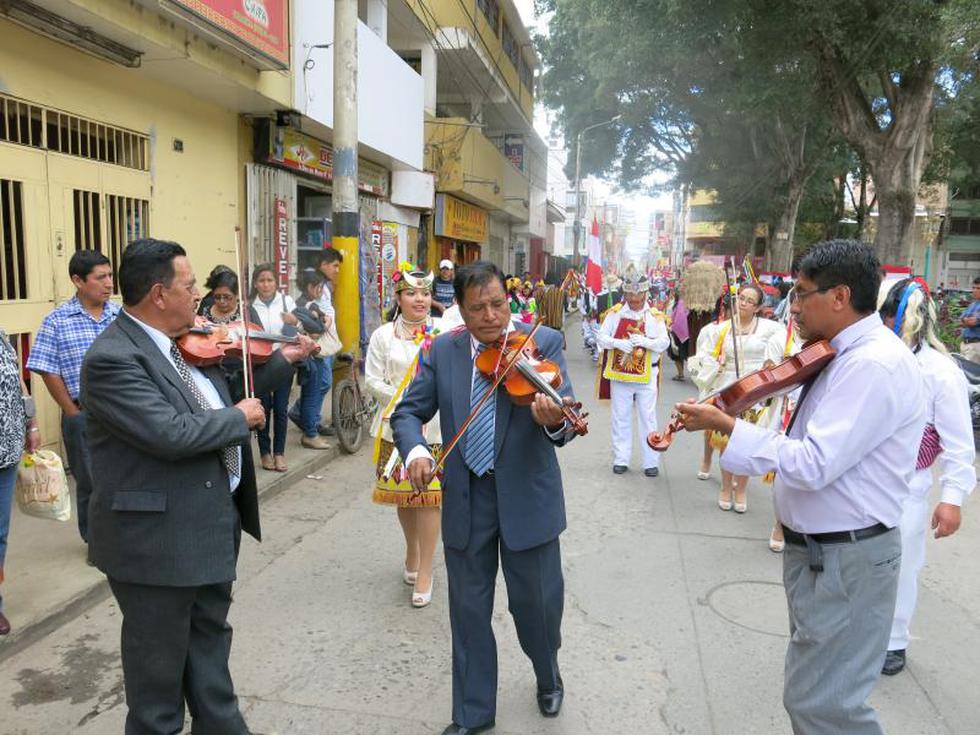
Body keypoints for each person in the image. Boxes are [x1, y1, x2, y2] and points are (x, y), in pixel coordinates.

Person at [676, 240, 926, 735]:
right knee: (815, 695)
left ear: (839, 296)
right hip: (824, 554)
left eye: (802, 293)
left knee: (825, 707)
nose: (792, 304)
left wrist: (728, 426)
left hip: (846, 558)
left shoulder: (871, 365)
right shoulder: (840, 352)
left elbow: (813, 463)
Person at [81, 238, 316, 735]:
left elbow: (230, 394)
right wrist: (236, 418)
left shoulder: (185, 344)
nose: (201, 298)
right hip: (157, 542)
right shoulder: (114, 358)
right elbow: (170, 432)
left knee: (209, 657)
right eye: (191, 288)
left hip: (209, 524)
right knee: (158, 691)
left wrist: (285, 359)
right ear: (159, 293)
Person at [391, 261, 578, 735]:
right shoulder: (444, 350)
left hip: (526, 498)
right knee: (469, 612)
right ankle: (473, 714)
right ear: (461, 310)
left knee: (536, 606)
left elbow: (565, 421)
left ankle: (547, 672)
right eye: (479, 308)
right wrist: (414, 450)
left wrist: (550, 418)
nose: (492, 316)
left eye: (498, 304)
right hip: (466, 496)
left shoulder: (544, 343)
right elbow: (408, 413)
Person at [877, 278, 975, 676]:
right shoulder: (869, 357)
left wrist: (951, 499)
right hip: (859, 485)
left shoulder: (940, 372)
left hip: (907, 490)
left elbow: (959, 443)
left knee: (901, 567)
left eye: (885, 315)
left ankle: (894, 641)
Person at [26, 249, 119, 546]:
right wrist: (71, 411)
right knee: (90, 481)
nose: (108, 283)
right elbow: (45, 367)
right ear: (78, 280)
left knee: (126, 476)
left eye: (110, 276)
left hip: (124, 409)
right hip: (83, 414)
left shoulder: (121, 316)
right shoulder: (57, 320)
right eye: (100, 277)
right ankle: (96, 543)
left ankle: (124, 539)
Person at [365, 266, 443, 608]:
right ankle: (411, 548)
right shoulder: (383, 336)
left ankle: (426, 569)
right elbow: (372, 381)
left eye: (425, 293)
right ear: (399, 298)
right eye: (412, 293)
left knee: (431, 498)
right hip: (395, 426)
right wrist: (405, 400)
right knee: (404, 496)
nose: (420, 299)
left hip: (436, 427)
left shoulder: (442, 333)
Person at [689, 283, 783, 512]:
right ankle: (724, 485)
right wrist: (713, 363)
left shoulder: (770, 329)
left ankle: (740, 489)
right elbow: (705, 353)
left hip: (755, 386)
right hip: (728, 385)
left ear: (759, 307)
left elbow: (783, 343)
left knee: (750, 439)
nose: (743, 303)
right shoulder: (721, 329)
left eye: (750, 300)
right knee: (726, 439)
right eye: (741, 298)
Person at [596, 267, 670, 477]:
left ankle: (650, 461)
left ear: (645, 294)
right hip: (621, 375)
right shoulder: (615, 313)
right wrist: (618, 343)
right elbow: (601, 337)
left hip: (647, 375)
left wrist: (646, 342)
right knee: (621, 417)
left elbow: (664, 342)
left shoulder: (655, 316)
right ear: (625, 294)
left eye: (638, 296)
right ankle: (621, 458)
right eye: (630, 296)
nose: (634, 300)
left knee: (648, 417)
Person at [0, 330, 42, 636]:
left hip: (7, 449)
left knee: (0, 533)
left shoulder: (2, 337)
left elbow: (18, 381)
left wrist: (32, 423)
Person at [250, 263, 298, 472]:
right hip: (260, 364)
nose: (266, 284)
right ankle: (264, 453)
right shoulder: (250, 306)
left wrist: (294, 321)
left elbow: (299, 331)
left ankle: (279, 453)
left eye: (270, 280)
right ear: (255, 284)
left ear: (276, 283)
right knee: (263, 409)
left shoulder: (287, 302)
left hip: (284, 363)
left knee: (280, 409)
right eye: (262, 281)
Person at [290, 269, 332, 450]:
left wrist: (323, 321)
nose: (321, 290)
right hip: (309, 354)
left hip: (316, 352)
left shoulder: (311, 304)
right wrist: (324, 323)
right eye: (319, 287)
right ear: (309, 287)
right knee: (313, 390)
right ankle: (310, 431)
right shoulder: (301, 305)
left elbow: (322, 319)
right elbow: (317, 328)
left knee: (322, 384)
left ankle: (309, 421)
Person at [668, 290, 690, 381]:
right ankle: (681, 374)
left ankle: (681, 374)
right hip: (683, 331)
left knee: (676, 353)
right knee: (681, 354)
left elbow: (680, 319)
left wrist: (672, 328)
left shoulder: (680, 302)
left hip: (678, 332)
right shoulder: (680, 302)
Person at [958, 276, 980, 363]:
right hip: (965, 344)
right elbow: (959, 322)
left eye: (978, 288)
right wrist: (966, 320)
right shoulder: (972, 304)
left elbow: (973, 322)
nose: (974, 290)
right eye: (973, 288)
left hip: (976, 345)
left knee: (972, 374)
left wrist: (965, 320)